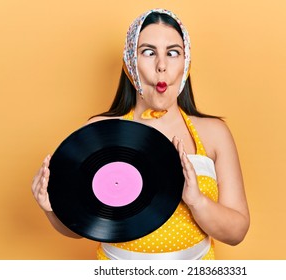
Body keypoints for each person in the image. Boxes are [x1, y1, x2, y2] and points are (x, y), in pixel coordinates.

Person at [31, 8, 250, 260]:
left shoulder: (214, 133)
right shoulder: (100, 131)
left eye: (173, 52)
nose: (161, 65)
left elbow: (237, 232)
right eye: (148, 52)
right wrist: (51, 209)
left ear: (185, 63)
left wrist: (197, 201)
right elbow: (80, 226)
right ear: (129, 64)